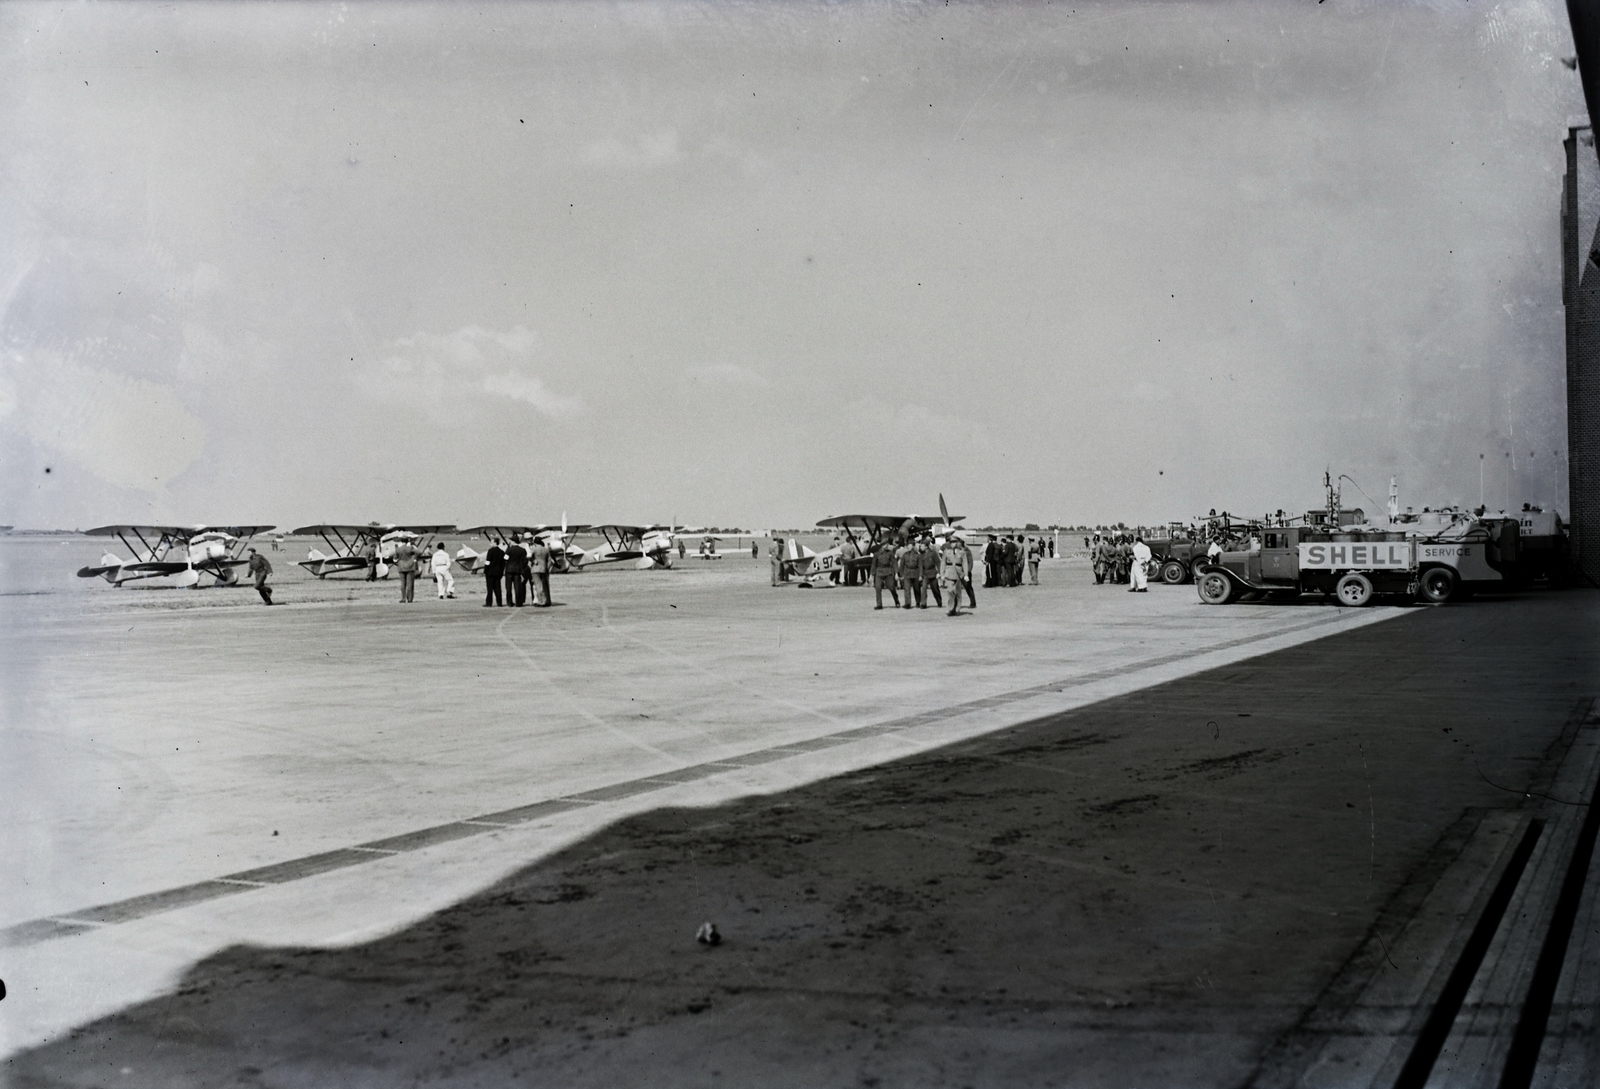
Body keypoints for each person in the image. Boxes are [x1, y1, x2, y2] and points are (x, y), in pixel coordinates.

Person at [940, 534, 970, 616]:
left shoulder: (962, 553)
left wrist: (966, 574)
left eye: (954, 542)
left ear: (957, 543)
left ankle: (957, 609)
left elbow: (965, 564)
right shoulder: (946, 552)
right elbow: (943, 563)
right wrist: (942, 574)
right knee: (950, 591)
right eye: (951, 542)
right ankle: (950, 608)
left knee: (958, 593)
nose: (952, 544)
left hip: (958, 574)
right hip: (949, 573)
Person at [871, 537, 900, 609]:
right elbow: (873, 565)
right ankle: (879, 604)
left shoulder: (890, 553)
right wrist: (871, 575)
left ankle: (896, 600)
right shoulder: (877, 554)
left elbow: (894, 563)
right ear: (882, 545)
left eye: (887, 545)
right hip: (879, 572)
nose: (887, 546)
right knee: (878, 588)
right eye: (885, 545)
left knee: (891, 587)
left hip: (888, 571)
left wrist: (896, 573)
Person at [505, 535, 530, 607]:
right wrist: (522, 567)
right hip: (518, 570)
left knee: (508, 587)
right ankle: (518, 602)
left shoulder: (509, 550)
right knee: (517, 587)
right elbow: (525, 561)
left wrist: (508, 548)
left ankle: (509, 602)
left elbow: (505, 559)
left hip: (509, 570)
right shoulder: (522, 550)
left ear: (512, 541)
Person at [895, 535, 919, 609]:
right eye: (907, 546)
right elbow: (902, 566)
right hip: (907, 573)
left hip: (915, 573)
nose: (908, 547)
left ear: (913, 546)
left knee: (916, 589)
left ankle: (918, 602)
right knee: (907, 589)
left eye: (910, 546)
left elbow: (920, 565)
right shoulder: (905, 555)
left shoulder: (917, 555)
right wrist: (901, 574)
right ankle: (907, 603)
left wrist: (921, 575)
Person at [529, 534, 552, 606]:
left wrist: (533, 561)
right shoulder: (546, 549)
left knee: (538, 586)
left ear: (535, 542)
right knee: (545, 585)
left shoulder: (534, 549)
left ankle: (541, 601)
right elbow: (550, 560)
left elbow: (529, 556)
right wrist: (547, 567)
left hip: (535, 569)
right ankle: (547, 600)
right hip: (544, 569)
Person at [393, 537, 419, 603]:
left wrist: (398, 562)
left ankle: (403, 598)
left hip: (401, 566)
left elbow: (395, 558)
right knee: (410, 584)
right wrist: (413, 556)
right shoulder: (410, 548)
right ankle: (410, 599)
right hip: (410, 566)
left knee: (402, 583)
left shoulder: (398, 549)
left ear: (401, 542)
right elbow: (419, 552)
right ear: (408, 542)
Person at [483, 538, 506, 607]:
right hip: (498, 572)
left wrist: (485, 570)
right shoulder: (502, 552)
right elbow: (503, 563)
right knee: (498, 588)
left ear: (495, 543)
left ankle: (489, 603)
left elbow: (488, 561)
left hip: (490, 572)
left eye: (492, 542)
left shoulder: (490, 551)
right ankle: (499, 602)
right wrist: (501, 572)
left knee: (490, 588)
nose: (491, 543)